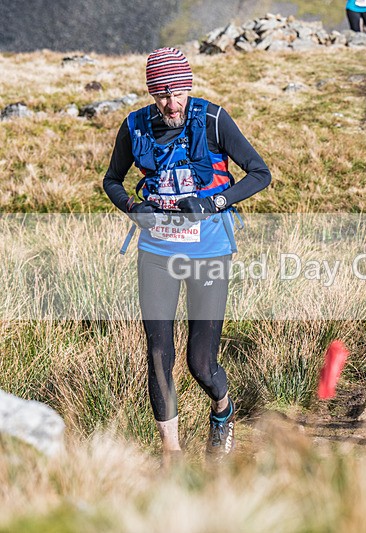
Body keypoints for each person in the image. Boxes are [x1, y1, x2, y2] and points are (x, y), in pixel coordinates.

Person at [102, 47, 271, 462]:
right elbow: (112, 181)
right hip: (156, 252)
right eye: (161, 94)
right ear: (151, 93)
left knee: (200, 362)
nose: (171, 104)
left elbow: (260, 173)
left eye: (177, 92)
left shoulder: (213, 119)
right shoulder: (134, 125)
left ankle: (222, 410)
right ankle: (172, 454)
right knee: (159, 353)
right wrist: (132, 207)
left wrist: (214, 204)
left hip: (209, 252)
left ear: (188, 86)